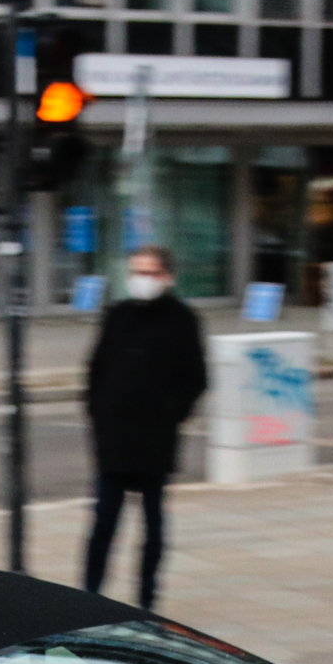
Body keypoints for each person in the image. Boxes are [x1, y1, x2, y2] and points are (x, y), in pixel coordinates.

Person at [81, 245, 206, 612]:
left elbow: (196, 378)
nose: (141, 280)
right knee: (104, 522)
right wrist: (98, 413)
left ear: (167, 277)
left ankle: (146, 601)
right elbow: (95, 369)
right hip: (114, 439)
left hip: (156, 440)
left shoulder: (183, 319)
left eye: (150, 273)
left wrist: (170, 414)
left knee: (153, 527)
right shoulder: (117, 315)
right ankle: (90, 595)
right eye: (136, 272)